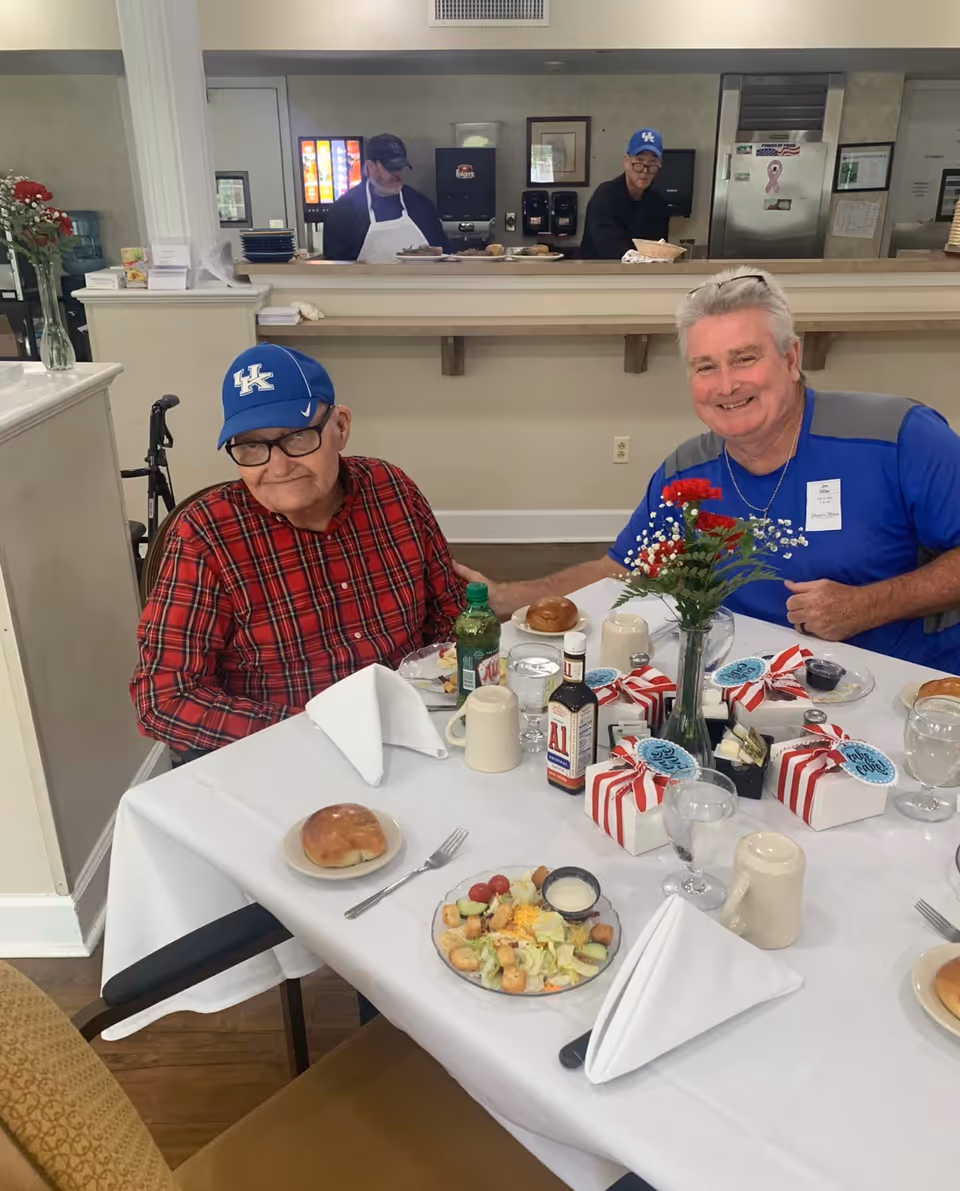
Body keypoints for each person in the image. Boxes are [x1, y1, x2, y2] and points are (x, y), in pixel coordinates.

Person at [457, 266, 960, 672]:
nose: (726, 385)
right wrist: (503, 596)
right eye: (705, 367)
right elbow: (618, 572)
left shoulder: (898, 436)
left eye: (744, 359)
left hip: (901, 693)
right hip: (744, 695)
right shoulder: (686, 472)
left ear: (791, 358)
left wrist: (869, 605)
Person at [131, 344, 465, 758]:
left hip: (413, 731)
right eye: (251, 446)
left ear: (340, 427)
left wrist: (439, 693)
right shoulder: (205, 537)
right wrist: (315, 729)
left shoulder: (391, 489)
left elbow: (450, 614)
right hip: (284, 754)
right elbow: (165, 699)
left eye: (297, 437)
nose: (277, 466)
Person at [322, 133, 448, 262]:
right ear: (370, 167)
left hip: (419, 281)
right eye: (390, 168)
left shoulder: (421, 205)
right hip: (367, 282)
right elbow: (335, 267)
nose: (397, 174)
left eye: (400, 168)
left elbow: (444, 254)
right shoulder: (344, 210)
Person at [579, 128, 670, 260]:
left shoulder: (658, 202)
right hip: (599, 275)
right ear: (627, 161)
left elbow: (658, 249)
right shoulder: (605, 195)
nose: (645, 171)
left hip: (642, 277)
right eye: (639, 163)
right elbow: (609, 248)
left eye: (652, 164)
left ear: (659, 164)